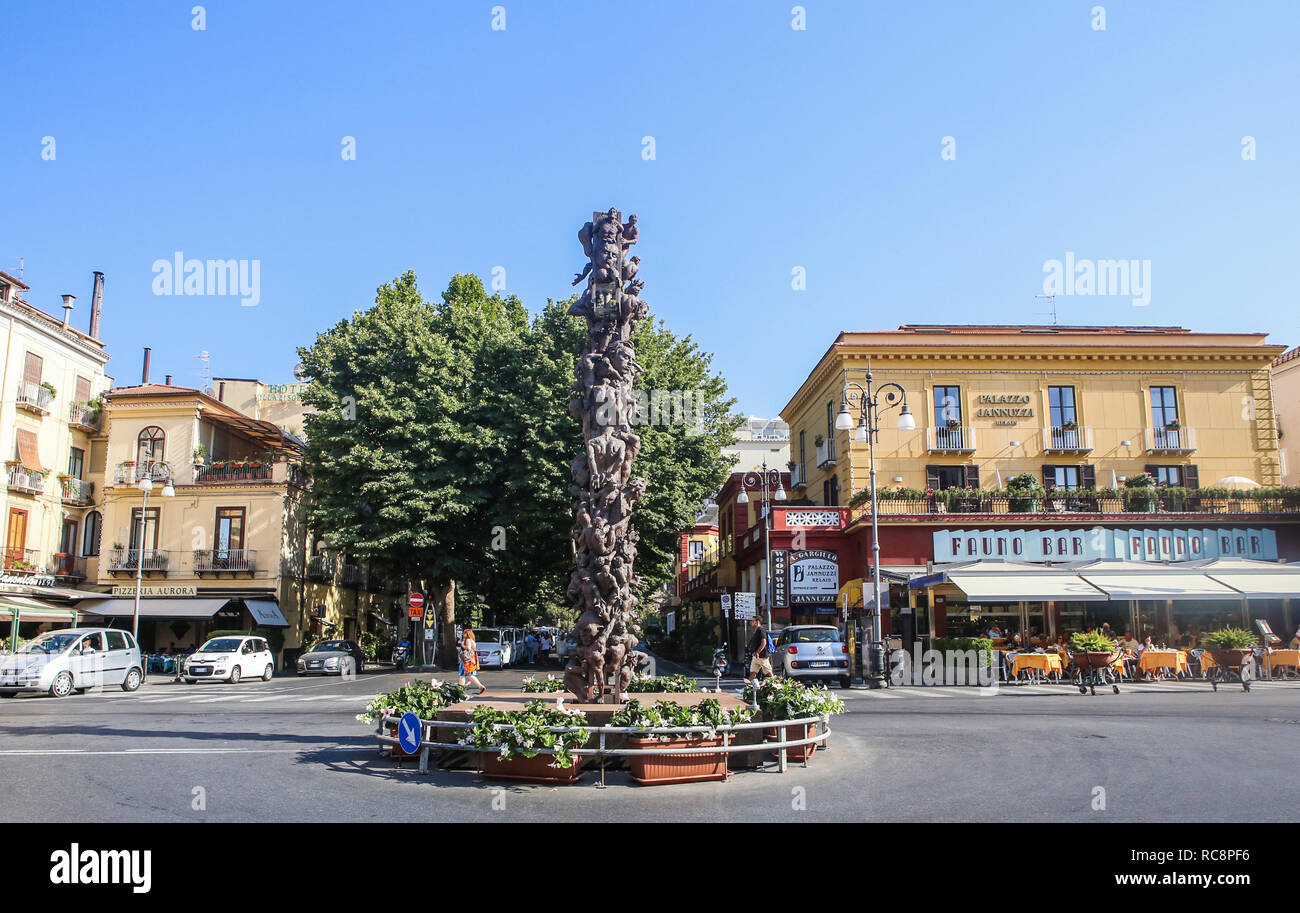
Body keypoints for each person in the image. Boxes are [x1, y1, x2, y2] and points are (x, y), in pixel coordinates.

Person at [745, 617, 773, 683]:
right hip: (756, 656)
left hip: (762, 656)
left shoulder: (761, 630)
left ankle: (776, 686)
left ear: (757, 621)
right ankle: (748, 688)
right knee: (753, 672)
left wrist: (758, 652)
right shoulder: (757, 630)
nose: (751, 622)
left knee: (768, 672)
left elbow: (764, 642)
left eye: (753, 621)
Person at [458, 629, 485, 696]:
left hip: (467, 660)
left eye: (464, 633)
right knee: (470, 675)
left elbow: (468, 648)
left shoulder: (468, 640)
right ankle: (480, 686)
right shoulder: (472, 640)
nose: (463, 635)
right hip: (472, 659)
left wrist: (462, 645)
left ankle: (461, 690)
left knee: (462, 675)